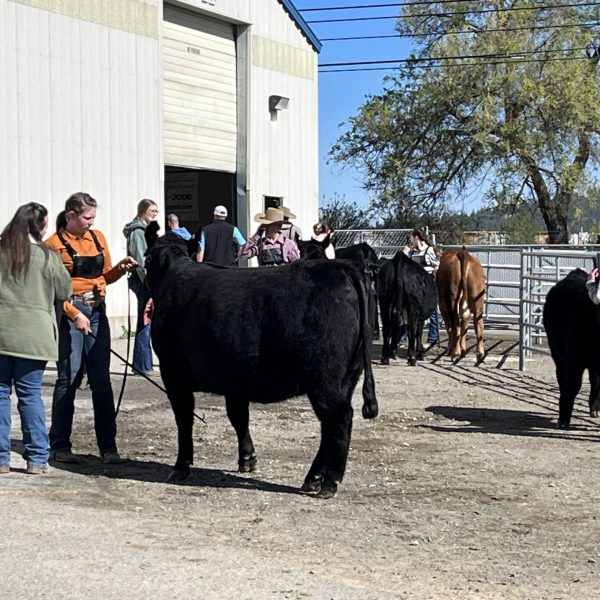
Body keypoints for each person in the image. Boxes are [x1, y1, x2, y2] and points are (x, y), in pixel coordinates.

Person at [46, 192, 138, 464]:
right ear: (71, 215)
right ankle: (60, 445)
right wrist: (74, 314)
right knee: (68, 378)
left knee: (101, 380)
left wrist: (120, 269)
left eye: (93, 217)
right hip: (70, 314)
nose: (91, 222)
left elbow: (105, 275)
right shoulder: (53, 245)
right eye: (87, 217)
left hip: (97, 311)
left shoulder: (97, 238)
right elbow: (51, 289)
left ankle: (108, 447)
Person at [0, 203, 72, 475]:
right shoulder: (47, 256)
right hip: (35, 335)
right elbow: (64, 290)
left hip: (2, 332)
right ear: (41, 227)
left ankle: (1, 459)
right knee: (30, 396)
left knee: (0, 396)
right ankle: (37, 459)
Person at [123, 199, 158, 375]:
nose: (155, 214)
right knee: (145, 321)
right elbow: (141, 259)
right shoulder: (138, 232)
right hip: (142, 280)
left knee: (146, 320)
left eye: (156, 211)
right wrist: (151, 282)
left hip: (143, 280)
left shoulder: (142, 230)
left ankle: (143, 363)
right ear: (143, 211)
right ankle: (142, 364)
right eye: (152, 210)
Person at [400, 228, 440, 345]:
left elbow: (436, 265)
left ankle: (433, 337)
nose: (411, 241)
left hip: (426, 284)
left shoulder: (429, 250)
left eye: (412, 238)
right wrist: (405, 252)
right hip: (413, 285)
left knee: (431, 310)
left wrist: (433, 274)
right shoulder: (413, 252)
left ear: (416, 237)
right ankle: (402, 337)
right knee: (406, 310)